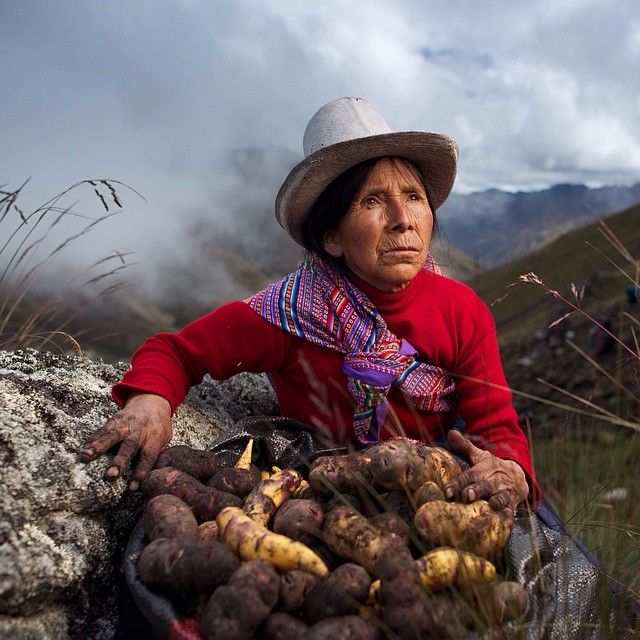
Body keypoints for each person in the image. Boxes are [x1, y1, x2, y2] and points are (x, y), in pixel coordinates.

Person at [81, 97, 536, 513]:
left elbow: (496, 429)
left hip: (434, 494)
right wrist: (150, 405)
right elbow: (176, 351)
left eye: (414, 197)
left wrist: (510, 469)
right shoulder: (287, 315)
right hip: (314, 498)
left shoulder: (461, 311)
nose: (403, 221)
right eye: (372, 201)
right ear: (332, 237)